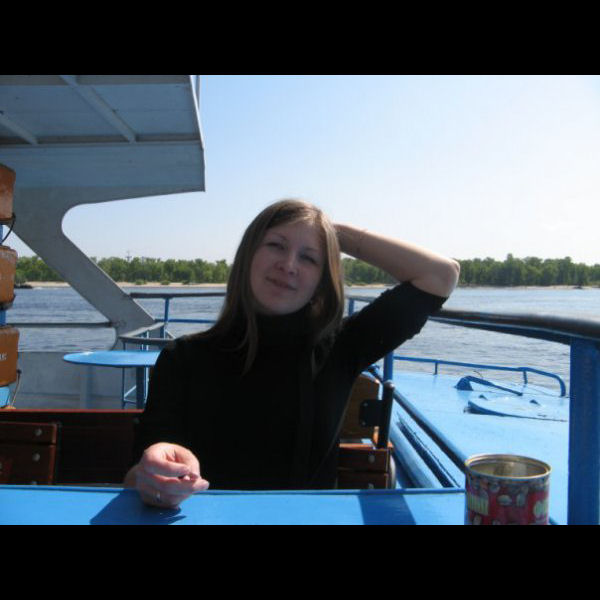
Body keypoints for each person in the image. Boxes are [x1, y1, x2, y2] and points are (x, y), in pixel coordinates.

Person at [124, 199, 460, 507]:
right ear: (248, 255)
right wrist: (154, 475)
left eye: (309, 257)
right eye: (276, 245)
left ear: (322, 281)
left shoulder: (342, 346)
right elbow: (135, 475)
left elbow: (441, 275)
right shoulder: (183, 358)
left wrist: (332, 233)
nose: (288, 265)